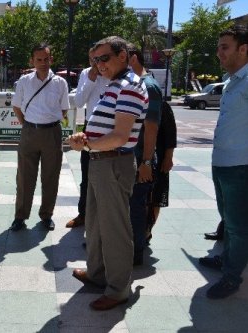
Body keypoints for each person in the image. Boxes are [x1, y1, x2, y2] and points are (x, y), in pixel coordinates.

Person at [67, 36, 148, 311]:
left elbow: (120, 136)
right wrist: (86, 136)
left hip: (114, 162)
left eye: (104, 58)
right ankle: (98, 273)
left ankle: (118, 289)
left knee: (114, 229)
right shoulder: (114, 85)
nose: (99, 65)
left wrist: (86, 143)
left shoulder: (130, 86)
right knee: (96, 224)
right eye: (95, 60)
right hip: (100, 161)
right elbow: (105, 128)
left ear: (123, 55)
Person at [199, 26, 248, 299]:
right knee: (228, 219)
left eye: (225, 47)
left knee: (239, 225)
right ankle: (226, 259)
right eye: (219, 47)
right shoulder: (231, 81)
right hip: (222, 162)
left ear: (244, 49)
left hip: (241, 165)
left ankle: (232, 277)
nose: (219, 53)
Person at [10, 43, 70, 232]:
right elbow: (17, 106)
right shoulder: (24, 81)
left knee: (50, 177)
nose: (43, 63)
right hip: (30, 132)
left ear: (51, 59)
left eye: (46, 59)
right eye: (39, 59)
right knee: (25, 177)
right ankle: (20, 216)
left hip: (52, 133)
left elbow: (64, 108)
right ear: (32, 61)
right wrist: (27, 124)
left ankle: (46, 215)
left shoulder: (60, 83)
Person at [66, 47, 110, 228]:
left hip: (110, 132)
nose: (97, 63)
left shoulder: (112, 73)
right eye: (93, 59)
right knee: (87, 175)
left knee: (108, 178)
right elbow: (78, 101)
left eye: (100, 58)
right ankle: (83, 214)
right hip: (90, 130)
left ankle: (104, 218)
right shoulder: (86, 73)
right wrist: (92, 76)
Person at [127, 44, 162, 266]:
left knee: (135, 209)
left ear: (130, 58)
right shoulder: (135, 83)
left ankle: (135, 253)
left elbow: (152, 128)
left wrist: (147, 162)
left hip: (140, 159)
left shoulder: (148, 86)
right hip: (130, 158)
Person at [147, 100, 177, 242]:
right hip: (137, 158)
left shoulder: (162, 105)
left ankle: (147, 231)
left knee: (156, 197)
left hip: (158, 158)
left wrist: (168, 157)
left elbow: (171, 134)